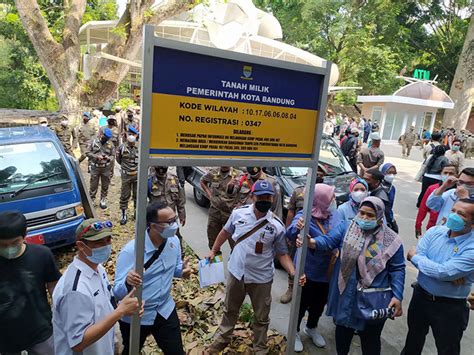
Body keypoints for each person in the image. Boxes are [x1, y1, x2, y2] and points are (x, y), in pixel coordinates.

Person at [206, 180, 304, 354]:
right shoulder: (238, 214)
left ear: (273, 199)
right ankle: (222, 339)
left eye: (268, 197)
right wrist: (214, 250)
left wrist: (293, 272)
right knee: (230, 310)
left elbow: (282, 254)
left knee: (261, 317)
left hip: (261, 279)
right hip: (237, 273)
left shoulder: (277, 226)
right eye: (261, 197)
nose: (265, 200)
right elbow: (225, 232)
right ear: (252, 197)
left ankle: (260, 348)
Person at [304, 197, 405, 355]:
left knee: (370, 339)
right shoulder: (347, 227)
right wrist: (312, 242)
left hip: (373, 298)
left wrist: (397, 296)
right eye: (361, 213)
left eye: (370, 215)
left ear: (379, 216)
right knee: (343, 331)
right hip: (347, 293)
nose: (364, 218)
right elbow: (328, 241)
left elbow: (397, 268)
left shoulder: (391, 240)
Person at [52, 219, 141, 355]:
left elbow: (103, 306)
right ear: (81, 246)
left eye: (108, 240)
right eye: (99, 242)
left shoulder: (98, 268)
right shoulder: (76, 290)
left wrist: (126, 306)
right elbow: (78, 342)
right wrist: (120, 312)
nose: (106, 246)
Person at [114, 202, 192, 354]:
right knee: (130, 351)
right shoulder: (131, 252)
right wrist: (127, 282)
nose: (174, 224)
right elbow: (117, 292)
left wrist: (182, 272)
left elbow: (174, 269)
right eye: (169, 222)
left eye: (174, 219)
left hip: (165, 309)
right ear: (153, 225)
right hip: (137, 316)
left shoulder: (174, 242)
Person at [403, 199, 474, 355]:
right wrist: (445, 273)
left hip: (450, 306)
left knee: (448, 348)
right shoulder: (435, 231)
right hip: (421, 296)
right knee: (413, 339)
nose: (454, 216)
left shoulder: (471, 247)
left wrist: (416, 258)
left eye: (461, 214)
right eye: (453, 210)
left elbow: (443, 272)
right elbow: (443, 271)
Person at [287, 184, 340, 352]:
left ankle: (311, 327)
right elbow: (289, 234)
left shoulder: (333, 215)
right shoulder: (305, 215)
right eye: (331, 198)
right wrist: (297, 227)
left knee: (319, 303)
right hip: (307, 270)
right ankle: (294, 331)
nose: (334, 200)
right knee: (302, 303)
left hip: (327, 271)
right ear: (320, 200)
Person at [0, 211, 61, 355]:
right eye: (3, 245)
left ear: (25, 235)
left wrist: (62, 317)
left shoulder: (42, 255)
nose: (9, 249)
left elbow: (54, 287)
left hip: (41, 333)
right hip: (5, 338)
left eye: (14, 243)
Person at [200, 167, 241, 250]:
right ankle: (216, 261)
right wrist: (210, 195)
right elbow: (202, 181)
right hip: (215, 211)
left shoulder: (237, 175)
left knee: (235, 243)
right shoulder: (213, 173)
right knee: (213, 241)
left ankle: (233, 261)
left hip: (230, 213)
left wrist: (240, 202)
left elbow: (244, 190)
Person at [415, 164, 458, 238]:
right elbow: (423, 207)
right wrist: (418, 224)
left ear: (457, 175)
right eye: (445, 173)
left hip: (451, 229)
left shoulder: (458, 192)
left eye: (451, 173)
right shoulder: (433, 189)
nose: (448, 175)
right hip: (432, 226)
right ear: (441, 174)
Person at [148, 166, 186, 241]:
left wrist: (182, 214)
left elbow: (180, 199)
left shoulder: (174, 179)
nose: (161, 172)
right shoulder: (149, 181)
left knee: (176, 238)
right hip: (157, 219)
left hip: (171, 218)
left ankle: (179, 252)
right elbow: (142, 201)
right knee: (156, 239)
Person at [87, 127, 115, 209]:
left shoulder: (110, 144)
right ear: (102, 135)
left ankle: (103, 199)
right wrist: (96, 156)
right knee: (93, 185)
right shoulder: (93, 141)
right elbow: (87, 152)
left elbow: (113, 156)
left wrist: (108, 158)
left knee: (105, 185)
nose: (106, 139)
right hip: (95, 167)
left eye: (107, 139)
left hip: (106, 168)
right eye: (105, 138)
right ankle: (92, 199)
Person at [116, 125, 139, 225]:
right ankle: (124, 214)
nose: (131, 136)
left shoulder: (139, 147)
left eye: (133, 135)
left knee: (137, 195)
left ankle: (136, 213)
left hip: (137, 175)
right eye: (129, 134)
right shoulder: (121, 147)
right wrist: (125, 168)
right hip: (126, 176)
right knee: (125, 195)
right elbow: (118, 160)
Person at [380, 163, 398, 232]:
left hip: (388, 218)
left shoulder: (392, 188)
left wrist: (392, 220)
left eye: (394, 173)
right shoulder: (377, 185)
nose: (391, 175)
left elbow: (390, 207)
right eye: (389, 172)